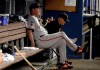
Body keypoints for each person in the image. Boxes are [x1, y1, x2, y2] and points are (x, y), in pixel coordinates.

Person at [26, 3, 86, 69]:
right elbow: (29, 31)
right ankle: (76, 48)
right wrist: (32, 42)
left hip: (45, 38)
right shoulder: (31, 18)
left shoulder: (35, 18)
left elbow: (38, 29)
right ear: (33, 10)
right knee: (62, 34)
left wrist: (45, 23)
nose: (39, 10)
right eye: (38, 8)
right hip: (41, 40)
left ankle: (62, 63)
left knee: (62, 41)